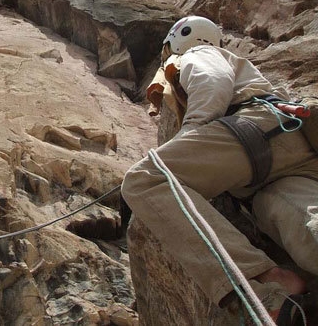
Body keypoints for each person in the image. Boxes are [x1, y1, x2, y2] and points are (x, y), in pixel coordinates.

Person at [121, 16, 318, 322]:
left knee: (145, 180)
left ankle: (268, 284)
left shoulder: (194, 54)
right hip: (286, 152)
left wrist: (188, 137)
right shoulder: (240, 64)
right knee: (301, 219)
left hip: (249, 131)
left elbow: (212, 80)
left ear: (178, 39)